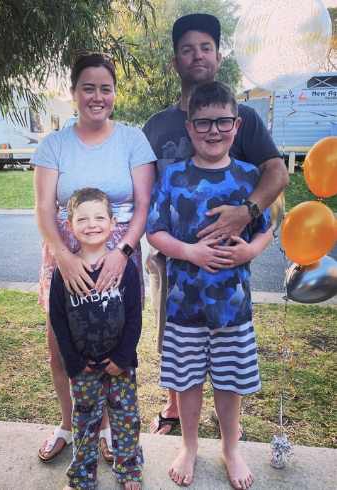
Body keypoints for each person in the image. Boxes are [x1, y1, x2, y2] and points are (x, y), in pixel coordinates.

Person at [141, 13, 289, 438]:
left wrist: (247, 212)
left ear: (218, 56)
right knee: (170, 339)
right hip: (172, 261)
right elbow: (149, 189)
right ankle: (174, 410)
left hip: (228, 269)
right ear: (175, 62)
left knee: (227, 345)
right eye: (187, 49)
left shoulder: (241, 116)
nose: (197, 55)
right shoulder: (157, 125)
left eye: (205, 47)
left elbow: (276, 173)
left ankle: (229, 431)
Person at [147, 80, 272, 489]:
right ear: (189, 126)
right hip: (184, 306)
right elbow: (155, 233)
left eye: (222, 122)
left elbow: (266, 231)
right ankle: (189, 444)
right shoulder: (174, 178)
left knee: (230, 380)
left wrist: (249, 253)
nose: (213, 131)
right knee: (186, 380)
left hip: (233, 307)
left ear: (237, 125)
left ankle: (231, 448)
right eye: (203, 124)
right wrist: (190, 252)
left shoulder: (249, 177)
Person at [32, 52, 156, 463]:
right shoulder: (54, 144)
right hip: (64, 254)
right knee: (61, 346)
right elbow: (44, 210)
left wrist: (123, 254)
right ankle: (69, 424)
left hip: (118, 257)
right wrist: (63, 257)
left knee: (110, 340)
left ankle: (104, 425)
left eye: (106, 88)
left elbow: (143, 207)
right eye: (89, 88)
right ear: (73, 93)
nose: (97, 97)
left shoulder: (133, 140)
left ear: (115, 94)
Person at [50, 187, 143, 490]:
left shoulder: (123, 268)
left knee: (126, 420)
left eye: (100, 217)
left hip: (121, 367)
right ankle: (82, 477)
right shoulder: (63, 273)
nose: (92, 224)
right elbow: (59, 321)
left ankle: (128, 470)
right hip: (85, 369)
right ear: (70, 224)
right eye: (83, 219)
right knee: (85, 425)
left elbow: (134, 317)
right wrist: (75, 364)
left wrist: (122, 357)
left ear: (114, 222)